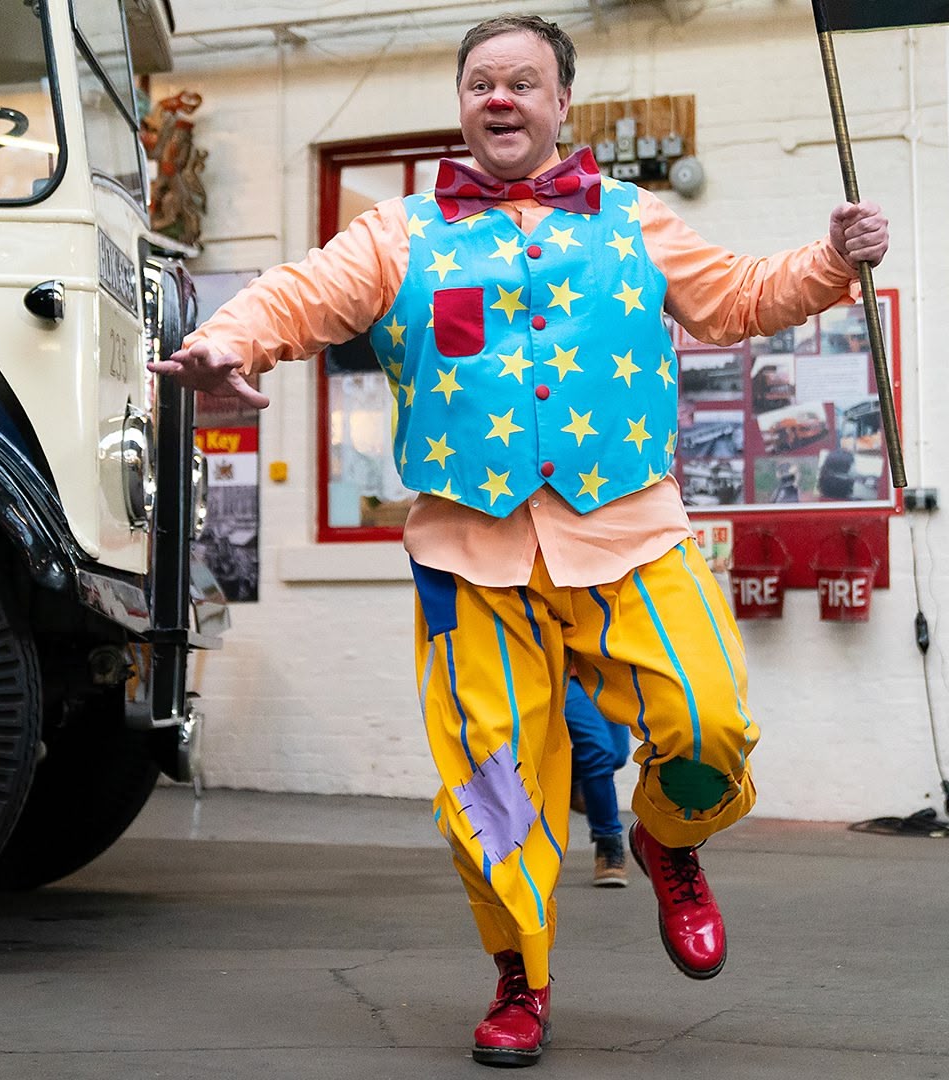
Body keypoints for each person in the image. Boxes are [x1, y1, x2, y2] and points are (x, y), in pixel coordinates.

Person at [150, 13, 889, 1068]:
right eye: (483, 82)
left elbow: (738, 300)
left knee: (711, 720)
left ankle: (669, 841)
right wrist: (227, 340)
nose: (502, 97)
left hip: (631, 529)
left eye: (523, 83)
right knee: (493, 788)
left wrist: (830, 258)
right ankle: (521, 979)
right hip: (470, 555)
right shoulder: (398, 233)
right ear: (463, 104)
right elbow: (300, 294)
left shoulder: (634, 220)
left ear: (560, 107)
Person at [563, 668, 630, 886]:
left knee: (617, 755)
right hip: (561, 669)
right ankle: (608, 845)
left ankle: (571, 779)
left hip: (606, 668)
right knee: (599, 750)